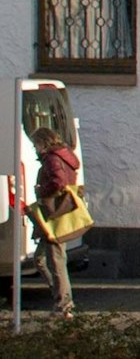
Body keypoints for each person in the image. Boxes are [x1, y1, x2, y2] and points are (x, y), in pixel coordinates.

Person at [29, 127, 78, 319]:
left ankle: (64, 305)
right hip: (60, 212)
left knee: (55, 260)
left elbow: (58, 182)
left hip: (53, 213)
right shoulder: (66, 155)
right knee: (40, 260)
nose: (35, 148)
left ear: (43, 142)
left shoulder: (51, 158)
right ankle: (60, 297)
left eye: (35, 144)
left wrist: (41, 190)